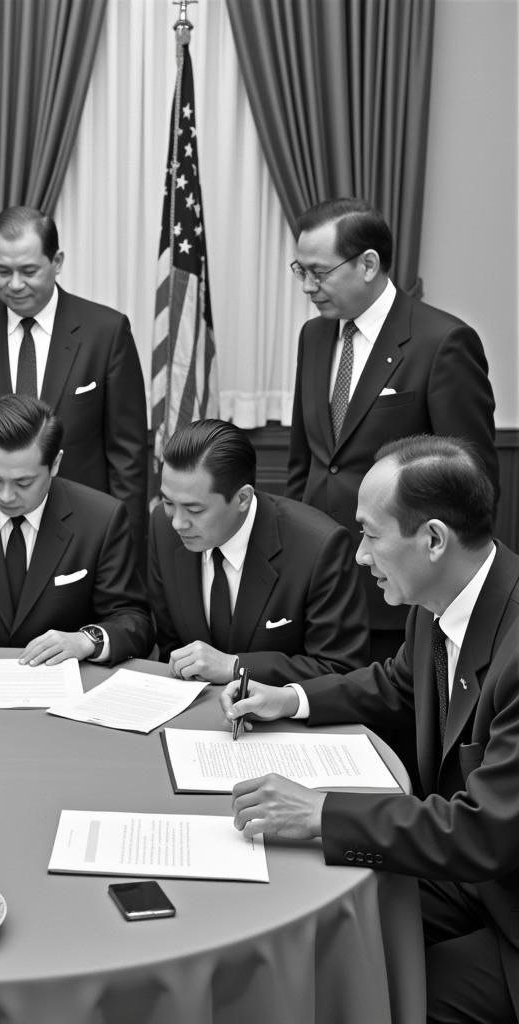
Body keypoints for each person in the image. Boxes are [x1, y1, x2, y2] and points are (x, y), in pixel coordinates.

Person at [224, 436, 519, 1022]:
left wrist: (321, 811)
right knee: (318, 937)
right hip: (469, 880)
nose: (359, 555)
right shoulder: (439, 602)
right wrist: (292, 699)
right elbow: (396, 684)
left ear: (433, 539)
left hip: (509, 910)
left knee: (361, 999)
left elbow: (486, 832)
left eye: (371, 534)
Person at [285, 197, 498, 660]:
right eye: (299, 271)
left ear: (367, 264)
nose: (307, 286)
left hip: (400, 596)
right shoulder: (315, 336)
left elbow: (472, 481)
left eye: (318, 272)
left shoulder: (441, 342)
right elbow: (308, 461)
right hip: (320, 587)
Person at [0, 205, 148, 548]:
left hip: (83, 527)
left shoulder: (105, 331)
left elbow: (127, 454)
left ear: (57, 262)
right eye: (2, 271)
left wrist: (126, 538)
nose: (14, 284)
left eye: (29, 270)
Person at [0, 395, 153, 667]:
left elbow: (132, 618)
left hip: (67, 686)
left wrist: (86, 640)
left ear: (55, 463)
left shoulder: (101, 518)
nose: (6, 496)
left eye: (23, 482)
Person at [150, 419, 369, 685]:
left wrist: (237, 667)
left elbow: (341, 668)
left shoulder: (319, 547)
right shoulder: (162, 526)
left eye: (195, 510)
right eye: (168, 502)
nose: (177, 523)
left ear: (242, 498)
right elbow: (170, 644)